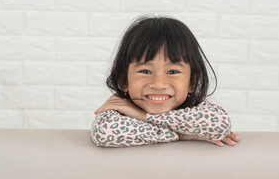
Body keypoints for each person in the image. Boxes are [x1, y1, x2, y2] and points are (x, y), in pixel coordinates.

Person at [91, 15, 240, 148]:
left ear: (191, 83)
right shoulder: (118, 108)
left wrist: (144, 117)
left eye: (173, 72)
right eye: (145, 71)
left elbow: (221, 125)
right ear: (125, 81)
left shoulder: (197, 109)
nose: (158, 84)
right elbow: (105, 132)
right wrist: (182, 135)